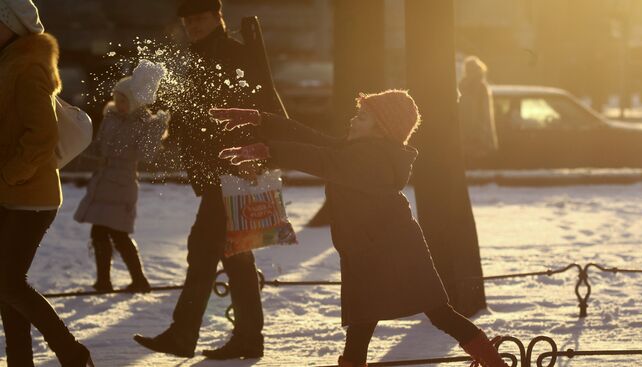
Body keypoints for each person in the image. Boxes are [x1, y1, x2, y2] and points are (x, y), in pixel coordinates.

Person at [211, 90, 510, 367]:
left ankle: (494, 363)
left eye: (362, 117)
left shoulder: (370, 160)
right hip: (371, 250)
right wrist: (260, 119)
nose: (354, 120)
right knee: (369, 324)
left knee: (430, 316)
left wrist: (267, 150)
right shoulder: (360, 151)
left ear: (382, 128)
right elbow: (313, 139)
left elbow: (320, 158)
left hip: (393, 252)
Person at [134, 0, 285, 360]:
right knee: (235, 254)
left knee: (204, 249)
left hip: (231, 170)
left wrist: (252, 154)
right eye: (188, 21)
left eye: (200, 18)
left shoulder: (230, 53)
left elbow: (253, 104)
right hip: (225, 170)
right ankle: (246, 336)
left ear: (217, 18)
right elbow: (206, 109)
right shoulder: (206, 53)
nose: (193, 26)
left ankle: (185, 334)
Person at [0, 0, 94, 365]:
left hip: (30, 196)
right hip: (11, 193)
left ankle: (72, 353)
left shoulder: (27, 65)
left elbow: (41, 135)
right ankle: (20, 360)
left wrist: (9, 174)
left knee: (8, 283)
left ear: (11, 25)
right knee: (5, 286)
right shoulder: (8, 62)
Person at [74, 60, 170, 293]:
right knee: (99, 232)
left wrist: (158, 128)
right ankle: (103, 281)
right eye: (117, 98)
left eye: (124, 99)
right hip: (103, 181)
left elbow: (147, 154)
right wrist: (75, 142)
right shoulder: (111, 117)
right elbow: (99, 146)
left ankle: (139, 280)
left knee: (119, 234)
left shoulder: (143, 123)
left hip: (122, 183)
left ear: (135, 101)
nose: (119, 103)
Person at [458, 56, 499, 160]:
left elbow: (485, 113)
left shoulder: (475, 87)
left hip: (474, 132)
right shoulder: (466, 85)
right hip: (472, 133)